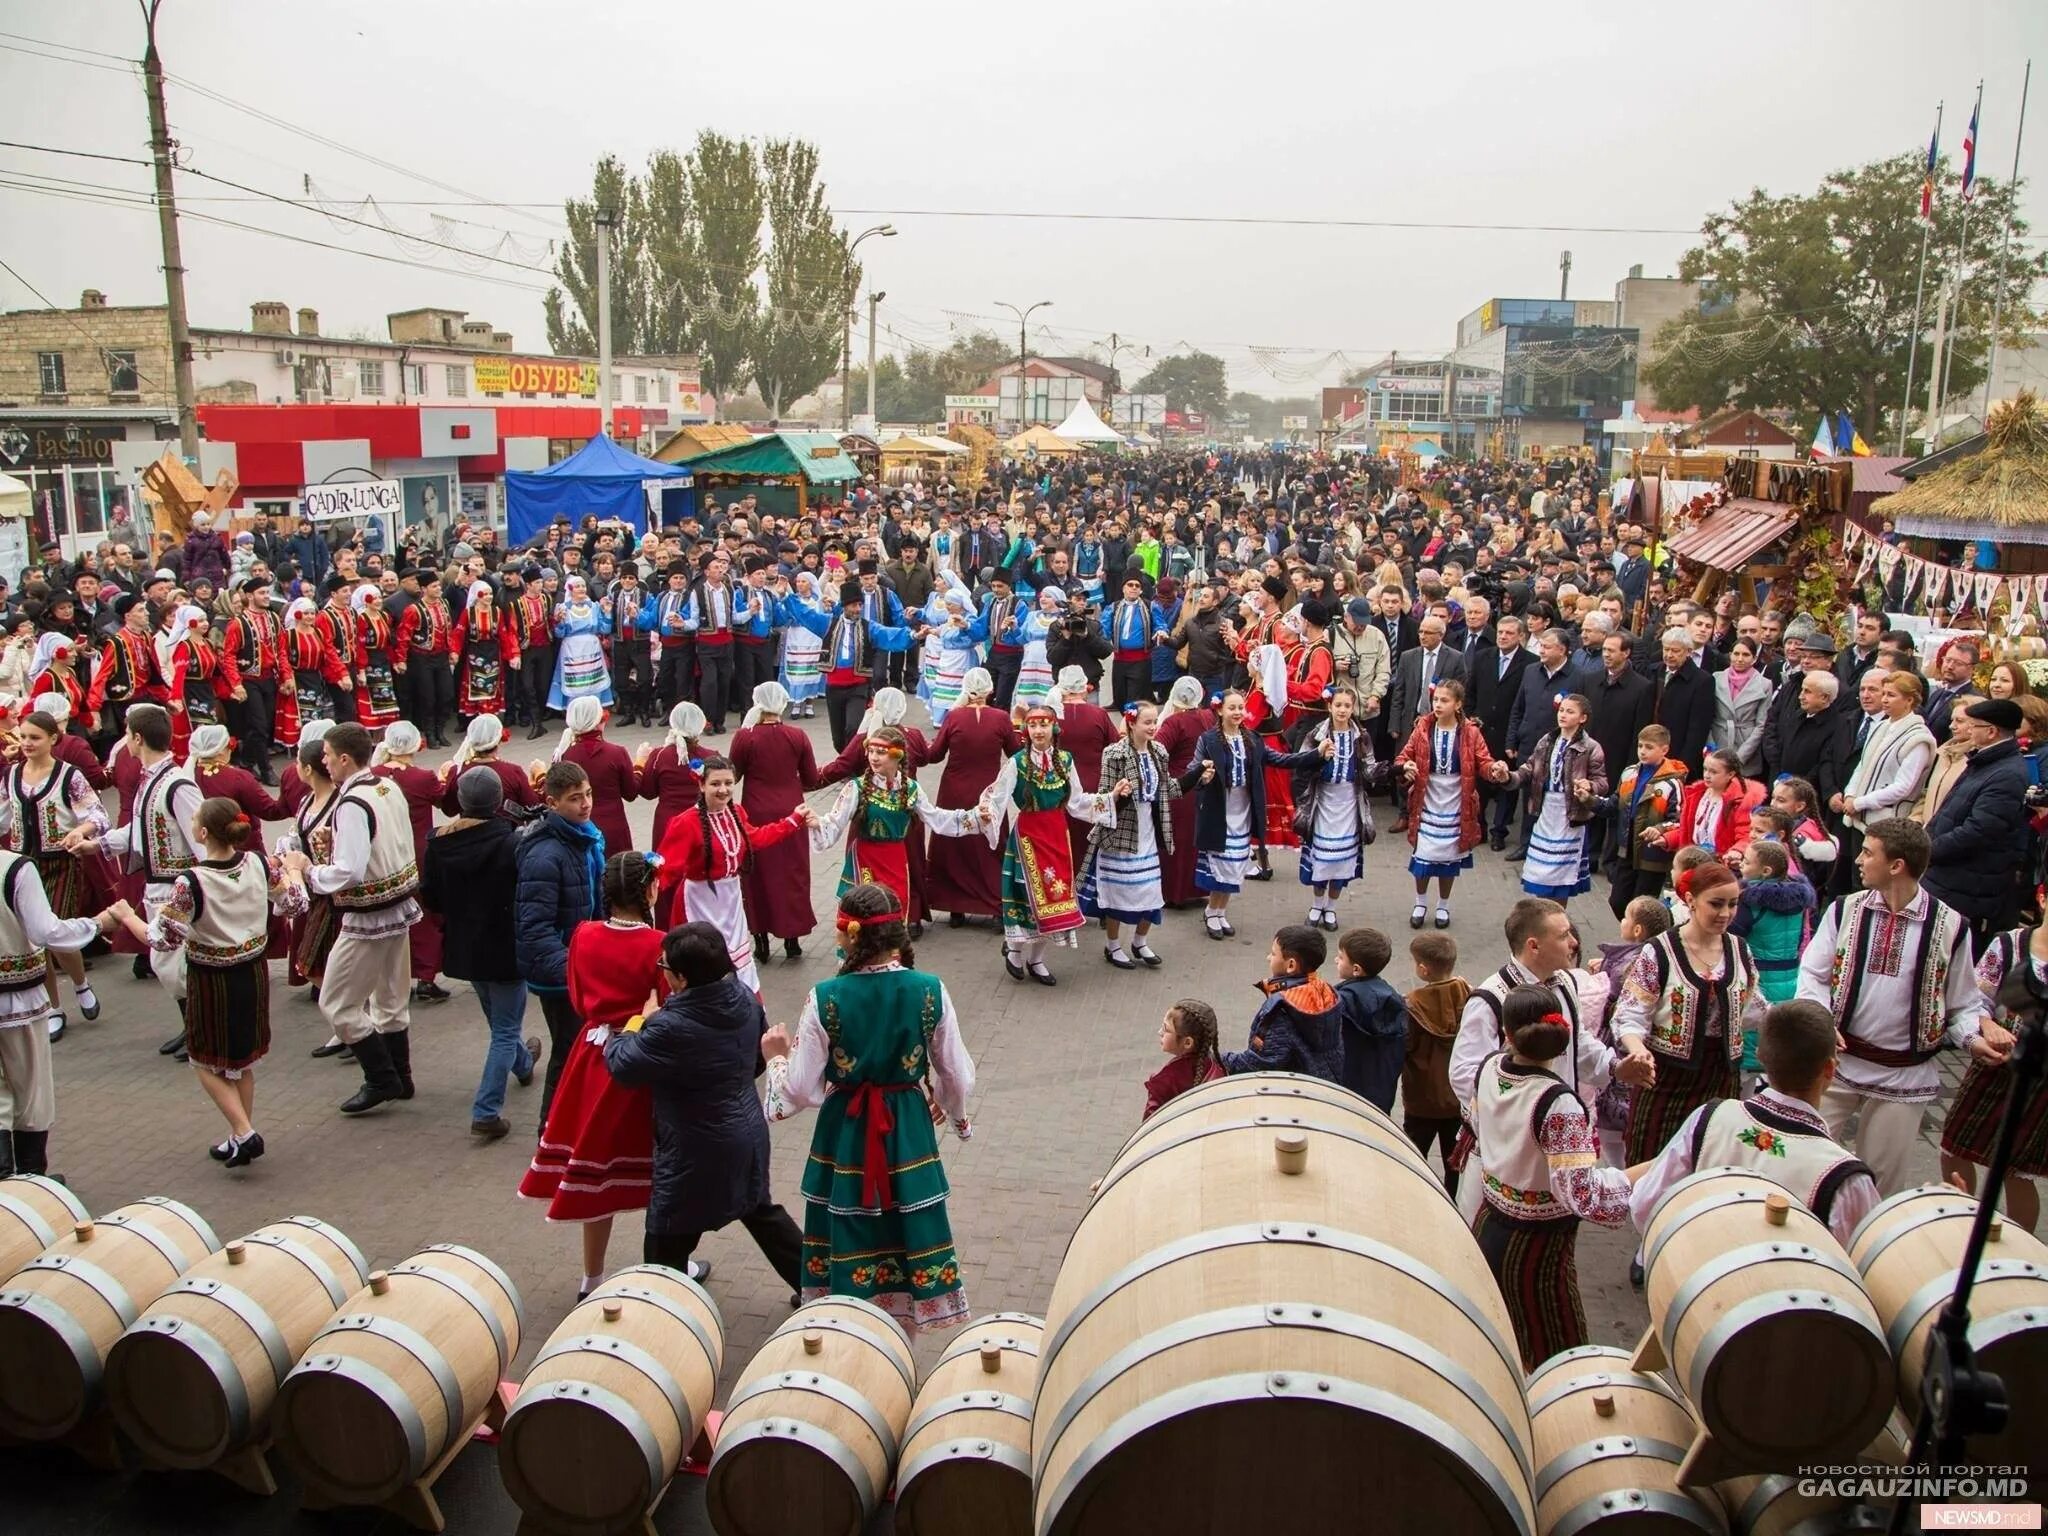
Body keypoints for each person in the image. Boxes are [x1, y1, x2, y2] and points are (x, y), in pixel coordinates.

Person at [762, 884, 974, 1331]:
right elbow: (957, 1074)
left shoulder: (826, 997)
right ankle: (902, 1342)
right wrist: (953, 1114)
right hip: (908, 1127)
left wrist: (775, 1059)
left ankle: (850, 1327)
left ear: (851, 935)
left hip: (847, 1131)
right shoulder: (929, 989)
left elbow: (799, 1088)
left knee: (850, 1221)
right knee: (907, 1222)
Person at [1797, 817, 2004, 1196]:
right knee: (1804, 1165)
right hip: (1836, 1065)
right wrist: (1822, 1024)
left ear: (1897, 865)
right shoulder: (1844, 910)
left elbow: (1961, 1005)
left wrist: (1975, 1040)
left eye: (1867, 852)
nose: (1858, 859)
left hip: (1902, 1076)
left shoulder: (1951, 926)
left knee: (1879, 1185)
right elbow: (1812, 975)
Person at [607, 920, 802, 1290]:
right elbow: (758, 1062)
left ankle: (665, 1309)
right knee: (761, 1212)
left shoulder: (669, 1026)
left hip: (693, 1151)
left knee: (665, 1237)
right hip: (746, 1131)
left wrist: (637, 1022)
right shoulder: (744, 997)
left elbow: (623, 1065)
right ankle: (817, 1287)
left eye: (664, 967)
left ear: (680, 978)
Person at [117, 796, 307, 1168]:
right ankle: (239, 1136)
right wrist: (295, 871)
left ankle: (246, 1132)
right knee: (240, 1061)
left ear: (203, 833)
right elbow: (296, 904)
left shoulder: (192, 881)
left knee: (203, 1060)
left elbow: (161, 938)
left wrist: (126, 916)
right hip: (253, 972)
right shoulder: (258, 863)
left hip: (212, 978)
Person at [522, 853, 680, 1295]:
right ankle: (670, 1266)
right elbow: (668, 1007)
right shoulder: (660, 945)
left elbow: (576, 999)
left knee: (594, 1168)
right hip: (642, 1060)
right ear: (650, 889)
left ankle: (592, 1277)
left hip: (592, 1058)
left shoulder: (584, 935)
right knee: (660, 1168)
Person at [1470, 983, 1633, 1371]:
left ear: (1507, 1034)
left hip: (1488, 1224)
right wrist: (1639, 1177)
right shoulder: (1557, 1103)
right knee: (1560, 1352)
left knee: (1503, 1340)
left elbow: (1479, 1123)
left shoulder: (1490, 1067)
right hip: (1538, 1250)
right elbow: (1581, 1194)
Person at [1629, 999, 1881, 1248]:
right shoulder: (1844, 1177)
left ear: (1760, 1054)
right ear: (1830, 1068)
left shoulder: (1709, 1120)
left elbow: (1644, 1206)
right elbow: (1866, 1264)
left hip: (1696, 1277)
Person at [65, 703, 203, 1057]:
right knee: (166, 963)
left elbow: (202, 839)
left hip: (176, 885)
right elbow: (137, 829)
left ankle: (201, 1029)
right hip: (158, 884)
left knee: (173, 964)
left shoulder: (176, 784)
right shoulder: (152, 780)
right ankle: (193, 1026)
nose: (124, 740)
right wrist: (98, 845)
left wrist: (201, 884)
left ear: (138, 738)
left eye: (127, 733)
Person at [299, 723, 422, 1115]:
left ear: (345, 759)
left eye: (328, 756)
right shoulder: (386, 786)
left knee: (337, 1003)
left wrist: (309, 873)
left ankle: (381, 1077)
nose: (325, 762)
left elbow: (349, 870)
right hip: (398, 906)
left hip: (368, 915)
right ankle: (400, 1078)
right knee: (390, 997)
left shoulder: (351, 803)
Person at [1610, 859, 1764, 1172]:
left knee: (1710, 1160)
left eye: (1733, 904)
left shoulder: (1739, 950)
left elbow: (1754, 1009)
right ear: (1690, 900)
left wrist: (1806, 1028)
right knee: (1652, 1161)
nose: (1725, 914)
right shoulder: (1660, 950)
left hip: (1721, 1075)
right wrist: (1638, 1051)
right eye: (1716, 904)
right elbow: (1630, 1013)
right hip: (1666, 1074)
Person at [419, 765, 538, 1139]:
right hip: (504, 944)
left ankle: (522, 1062)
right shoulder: (510, 841)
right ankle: (486, 1109)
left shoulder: (438, 842)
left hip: (465, 946)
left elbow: (432, 897)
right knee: (504, 1028)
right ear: (499, 801)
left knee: (499, 1020)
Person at [0, 850, 127, 1177]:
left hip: (16, 999)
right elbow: (47, 933)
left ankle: (9, 1180)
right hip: (16, 1003)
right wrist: (98, 923)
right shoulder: (14, 868)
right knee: (31, 1091)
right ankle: (30, 1180)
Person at [980, 697, 1119, 985]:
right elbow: (998, 798)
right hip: (1029, 835)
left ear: (1054, 728)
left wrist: (1111, 798)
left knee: (1055, 898)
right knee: (1026, 896)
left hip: (1057, 833)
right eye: (1032, 725)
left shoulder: (1065, 761)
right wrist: (985, 814)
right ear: (1026, 730)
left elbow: (1077, 801)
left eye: (1044, 724)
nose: (1038, 730)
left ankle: (1037, 959)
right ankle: (1016, 951)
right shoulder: (1017, 763)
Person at [654, 754, 814, 994]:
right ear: (700, 784)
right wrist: (644, 891)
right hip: (698, 901)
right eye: (715, 784)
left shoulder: (736, 812)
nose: (723, 790)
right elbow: (667, 868)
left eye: (728, 783)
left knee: (736, 959)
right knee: (699, 962)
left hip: (730, 899)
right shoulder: (685, 823)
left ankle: (742, 1010)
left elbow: (755, 838)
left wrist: (792, 821)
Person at [811, 724, 986, 927]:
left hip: (896, 860)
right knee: (865, 916)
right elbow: (835, 821)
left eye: (881, 753)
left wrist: (973, 817)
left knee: (894, 914)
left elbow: (936, 818)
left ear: (897, 756)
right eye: (872, 752)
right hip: (865, 859)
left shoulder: (911, 789)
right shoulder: (856, 787)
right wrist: (817, 823)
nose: (874, 758)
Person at [3, 709, 109, 1041]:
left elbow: (98, 815)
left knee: (54, 932)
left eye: (34, 737)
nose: (27, 743)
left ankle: (80, 983)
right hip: (23, 866)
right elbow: (4, 817)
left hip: (61, 862)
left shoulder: (69, 776)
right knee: (36, 940)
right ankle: (53, 1007)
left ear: (53, 739)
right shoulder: (11, 775)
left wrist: (81, 831)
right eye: (23, 737)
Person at [1941, 922, 2047, 1234]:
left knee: (2018, 1169)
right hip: (1994, 1064)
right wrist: (1987, 1025)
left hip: (2041, 1079)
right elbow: (1975, 999)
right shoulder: (2009, 944)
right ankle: (1962, 1222)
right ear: (2042, 899)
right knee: (1954, 1145)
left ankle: (2016, 1244)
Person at [518, 760, 606, 1131]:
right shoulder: (545, 855)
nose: (585, 804)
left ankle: (571, 1120)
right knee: (569, 1048)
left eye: (587, 794)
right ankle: (550, 1126)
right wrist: (574, 967)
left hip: (582, 961)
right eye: (574, 799)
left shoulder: (584, 837)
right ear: (552, 803)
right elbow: (534, 929)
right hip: (561, 974)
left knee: (581, 1046)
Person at [1082, 699, 1201, 970]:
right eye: (1147, 722)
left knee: (1150, 893)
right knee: (1118, 894)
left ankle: (1140, 942)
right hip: (1122, 832)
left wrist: (1196, 775)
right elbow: (1104, 798)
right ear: (1131, 722)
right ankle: (1113, 945)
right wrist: (1118, 796)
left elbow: (1168, 789)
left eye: (1155, 722)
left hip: (1149, 829)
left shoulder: (1159, 751)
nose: (1153, 727)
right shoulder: (1114, 753)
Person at [1395, 680, 1510, 931]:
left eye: (1444, 700)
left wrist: (1496, 770)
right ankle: (1420, 903)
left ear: (1458, 704)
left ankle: (1443, 905)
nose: (1438, 704)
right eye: (1436, 699)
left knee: (1448, 860)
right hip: (1428, 797)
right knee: (1423, 856)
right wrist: (1406, 767)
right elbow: (1405, 755)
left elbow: (1484, 762)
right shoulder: (1423, 728)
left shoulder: (1470, 732)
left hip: (1456, 798)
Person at [1921, 697, 2031, 945]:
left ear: (1991, 732)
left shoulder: (2006, 774)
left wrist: (1928, 849)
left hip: (1969, 885)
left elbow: (1979, 830)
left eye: (1973, 725)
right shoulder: (1982, 761)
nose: (1966, 730)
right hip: (1947, 877)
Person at [1271, 684, 1379, 931]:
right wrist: (1319, 760)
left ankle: (1331, 908)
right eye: (1338, 705)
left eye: (1347, 706)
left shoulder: (1361, 737)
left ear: (1353, 709)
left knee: (1341, 862)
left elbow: (1370, 768)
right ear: (1329, 706)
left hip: (1349, 804)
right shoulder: (1316, 735)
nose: (1342, 710)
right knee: (1322, 859)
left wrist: (1389, 770)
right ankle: (1317, 904)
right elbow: (1300, 765)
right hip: (1322, 802)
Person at [922, 669, 1017, 927]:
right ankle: (997, 904)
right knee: (990, 844)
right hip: (988, 789)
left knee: (955, 843)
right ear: (990, 690)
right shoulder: (1001, 718)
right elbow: (1015, 753)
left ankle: (955, 906)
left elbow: (935, 755)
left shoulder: (954, 717)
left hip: (954, 788)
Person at [370, 722, 449, 1005]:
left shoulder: (374, 775)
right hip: (417, 852)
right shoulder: (422, 777)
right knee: (425, 914)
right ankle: (426, 977)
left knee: (389, 912)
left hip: (383, 852)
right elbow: (446, 803)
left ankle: (389, 977)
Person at [1187, 687, 1271, 938]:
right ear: (1220, 710)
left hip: (1243, 810)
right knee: (1220, 868)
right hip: (1219, 809)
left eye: (1240, 708)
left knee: (1235, 866)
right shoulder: (1209, 739)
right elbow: (1194, 768)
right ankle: (1212, 911)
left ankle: (1221, 913)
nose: (1237, 712)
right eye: (1232, 708)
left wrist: (1315, 755)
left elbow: (1277, 758)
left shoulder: (1253, 739)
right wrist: (1202, 776)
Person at [1510, 692, 1607, 906]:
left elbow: (1602, 782)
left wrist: (1589, 785)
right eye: (1562, 710)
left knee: (1560, 876)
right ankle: (1544, 916)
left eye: (1570, 711)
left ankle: (1556, 918)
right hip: (1547, 810)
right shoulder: (1548, 740)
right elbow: (1529, 768)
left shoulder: (1590, 747)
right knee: (1542, 873)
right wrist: (1510, 777)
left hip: (1570, 814)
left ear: (1583, 718)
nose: (1563, 715)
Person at [1730, 840, 1816, 1066]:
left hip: (1759, 977)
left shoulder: (1749, 902)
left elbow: (1732, 937)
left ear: (1765, 871)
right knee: (1778, 1028)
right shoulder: (1798, 902)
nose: (1741, 865)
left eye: (1747, 862)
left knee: (1753, 1028)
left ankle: (1750, 1075)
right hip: (1791, 978)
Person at [1221, 923, 1342, 1079]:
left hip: (1291, 1089)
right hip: (1324, 1082)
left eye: (1273, 954)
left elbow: (1259, 1063)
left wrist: (1219, 1058)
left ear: (1291, 965)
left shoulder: (1281, 1010)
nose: (1268, 957)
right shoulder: (1328, 992)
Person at [1404, 932, 1469, 1195]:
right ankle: (1454, 1203)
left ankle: (1415, 1199)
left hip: (1422, 1098)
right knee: (1454, 1160)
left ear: (1422, 968)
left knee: (1414, 1155)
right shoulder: (1468, 993)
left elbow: (1406, 1046)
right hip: (1457, 1097)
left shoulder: (1413, 1004)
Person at [554, 696, 638, 855]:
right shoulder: (616, 753)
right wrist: (640, 765)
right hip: (613, 828)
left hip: (577, 828)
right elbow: (631, 793)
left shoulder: (564, 755)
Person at [1333, 926, 1404, 1112]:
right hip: (1381, 1093)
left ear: (1356, 969)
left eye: (1340, 957)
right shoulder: (1392, 998)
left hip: (1346, 1090)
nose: (1336, 960)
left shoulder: (1341, 1001)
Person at [635, 702, 707, 873]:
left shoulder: (660, 755)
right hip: (702, 821)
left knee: (667, 869)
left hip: (667, 821)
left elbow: (647, 792)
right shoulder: (711, 756)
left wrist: (641, 763)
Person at [1656, 748, 1758, 867]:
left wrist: (1737, 851)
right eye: (1705, 769)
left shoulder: (1740, 801)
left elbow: (1746, 834)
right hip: (1693, 862)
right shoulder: (1695, 796)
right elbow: (1687, 831)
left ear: (1730, 774)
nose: (1707, 775)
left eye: (1713, 772)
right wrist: (1667, 839)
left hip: (1722, 866)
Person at [451, 578, 521, 727]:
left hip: (493, 653)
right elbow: (458, 633)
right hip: (475, 653)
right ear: (477, 595)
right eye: (485, 594)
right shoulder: (468, 613)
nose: (489, 597)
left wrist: (511, 655)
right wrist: (454, 652)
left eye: (491, 594)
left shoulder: (497, 612)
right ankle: (476, 722)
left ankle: (490, 720)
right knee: (476, 685)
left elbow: (503, 634)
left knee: (491, 686)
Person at [440, 713, 539, 815]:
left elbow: (449, 810)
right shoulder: (513, 772)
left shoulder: (458, 772)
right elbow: (532, 807)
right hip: (508, 829)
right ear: (499, 739)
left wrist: (443, 780)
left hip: (470, 829)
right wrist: (538, 778)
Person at [1144, 998, 1226, 1120]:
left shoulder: (1165, 1081)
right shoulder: (1212, 1065)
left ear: (1187, 1042)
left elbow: (1148, 1124)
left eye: (1166, 1029)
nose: (1160, 1032)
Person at [549, 574, 614, 714]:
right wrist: (559, 622)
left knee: (593, 681)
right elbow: (559, 634)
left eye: (583, 585)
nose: (581, 589)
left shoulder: (594, 606)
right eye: (577, 586)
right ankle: (576, 714)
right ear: (570, 589)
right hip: (572, 649)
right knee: (576, 682)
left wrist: (608, 614)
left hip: (592, 648)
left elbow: (605, 629)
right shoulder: (563, 608)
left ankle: (594, 714)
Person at [1711, 636, 1773, 777]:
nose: (1740, 659)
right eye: (1736, 654)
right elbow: (1707, 716)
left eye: (1745, 655)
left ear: (1754, 658)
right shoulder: (1716, 678)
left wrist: (1741, 756)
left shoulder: (1764, 684)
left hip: (1746, 745)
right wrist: (1710, 746)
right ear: (1730, 655)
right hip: (1719, 740)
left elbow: (1761, 724)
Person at [348, 584, 403, 735]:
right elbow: (360, 646)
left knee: (386, 696)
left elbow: (389, 643)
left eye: (380, 597)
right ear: (365, 600)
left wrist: (395, 661)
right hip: (369, 662)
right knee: (371, 699)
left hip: (383, 661)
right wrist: (361, 670)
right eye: (374, 598)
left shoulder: (384, 617)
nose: (378, 601)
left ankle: (386, 734)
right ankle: (372, 735)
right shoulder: (361, 619)